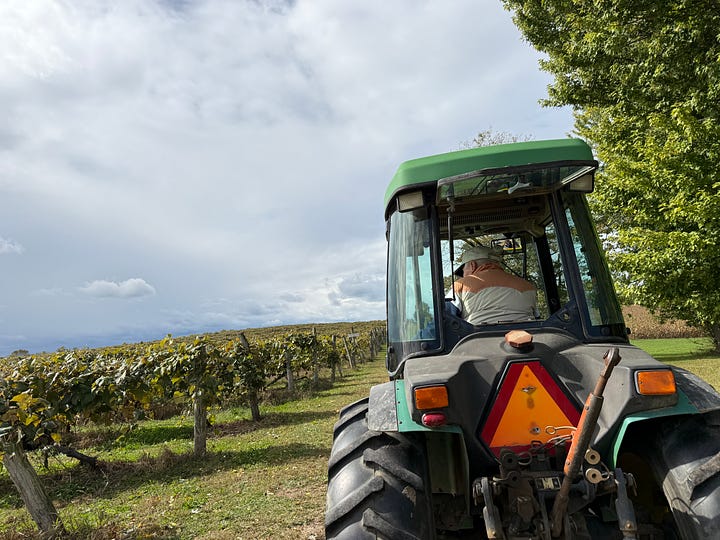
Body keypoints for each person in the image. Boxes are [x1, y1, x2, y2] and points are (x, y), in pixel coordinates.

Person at [452, 245, 537, 325]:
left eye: (463, 271)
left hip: (479, 338)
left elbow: (445, 318)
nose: (463, 276)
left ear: (472, 266)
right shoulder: (528, 286)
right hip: (528, 337)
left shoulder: (460, 285)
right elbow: (537, 318)